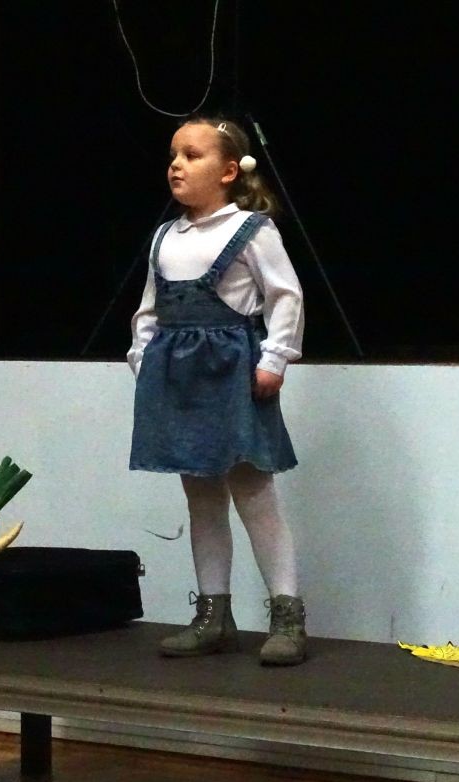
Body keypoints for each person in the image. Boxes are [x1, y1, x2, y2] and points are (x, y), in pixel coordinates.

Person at [127, 117, 307, 666]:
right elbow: (149, 310)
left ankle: (287, 615)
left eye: (192, 155)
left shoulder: (251, 230)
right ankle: (213, 616)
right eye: (173, 155)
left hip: (232, 375)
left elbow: (286, 296)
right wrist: (143, 360)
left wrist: (274, 358)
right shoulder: (166, 237)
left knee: (253, 491)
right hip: (176, 380)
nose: (176, 165)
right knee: (201, 495)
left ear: (229, 171)